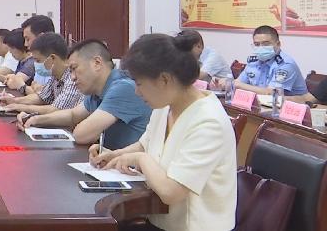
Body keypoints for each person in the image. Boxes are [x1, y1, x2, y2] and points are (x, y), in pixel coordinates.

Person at [90, 33, 236, 231]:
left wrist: (140, 159)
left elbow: (171, 192)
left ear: (165, 79)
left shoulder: (209, 121)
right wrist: (114, 155)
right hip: (159, 220)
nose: (137, 92)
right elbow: (145, 144)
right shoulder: (165, 105)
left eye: (139, 83)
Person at [19, 39, 151, 149]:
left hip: (131, 169)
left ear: (97, 63)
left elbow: (81, 135)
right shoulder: (97, 90)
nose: (72, 77)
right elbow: (72, 115)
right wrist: (35, 119)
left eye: (74, 69)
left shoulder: (123, 88)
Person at [1, 32, 82, 116]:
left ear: (52, 58)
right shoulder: (55, 76)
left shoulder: (72, 77)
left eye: (38, 60)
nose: (35, 64)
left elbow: (57, 109)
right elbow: (42, 98)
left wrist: (22, 107)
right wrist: (14, 101)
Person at [235, 25, 307, 95]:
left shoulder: (285, 64)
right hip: (262, 101)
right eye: (257, 44)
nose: (261, 48)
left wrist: (239, 85)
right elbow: (239, 82)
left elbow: (271, 93)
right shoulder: (254, 62)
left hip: (291, 102)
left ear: (278, 44)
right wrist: (236, 84)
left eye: (266, 44)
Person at [21, 15, 55, 88]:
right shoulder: (39, 63)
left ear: (41, 37)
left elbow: (42, 94)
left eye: (28, 39)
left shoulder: (57, 64)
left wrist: (23, 87)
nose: (25, 44)